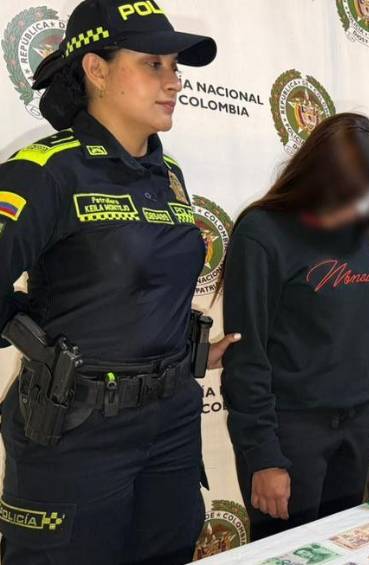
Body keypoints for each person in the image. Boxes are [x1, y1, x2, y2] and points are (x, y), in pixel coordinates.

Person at [0, 1, 239, 563]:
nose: (173, 81)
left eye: (175, 66)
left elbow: (135, 286)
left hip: (171, 420)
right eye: (153, 64)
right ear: (96, 70)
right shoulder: (46, 171)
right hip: (75, 429)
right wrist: (31, 332)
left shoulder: (169, 174)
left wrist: (185, 351)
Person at [221, 113, 369, 541]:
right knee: (290, 551)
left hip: (355, 431)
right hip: (292, 434)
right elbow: (247, 354)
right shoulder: (263, 231)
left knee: (339, 548)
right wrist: (264, 456)